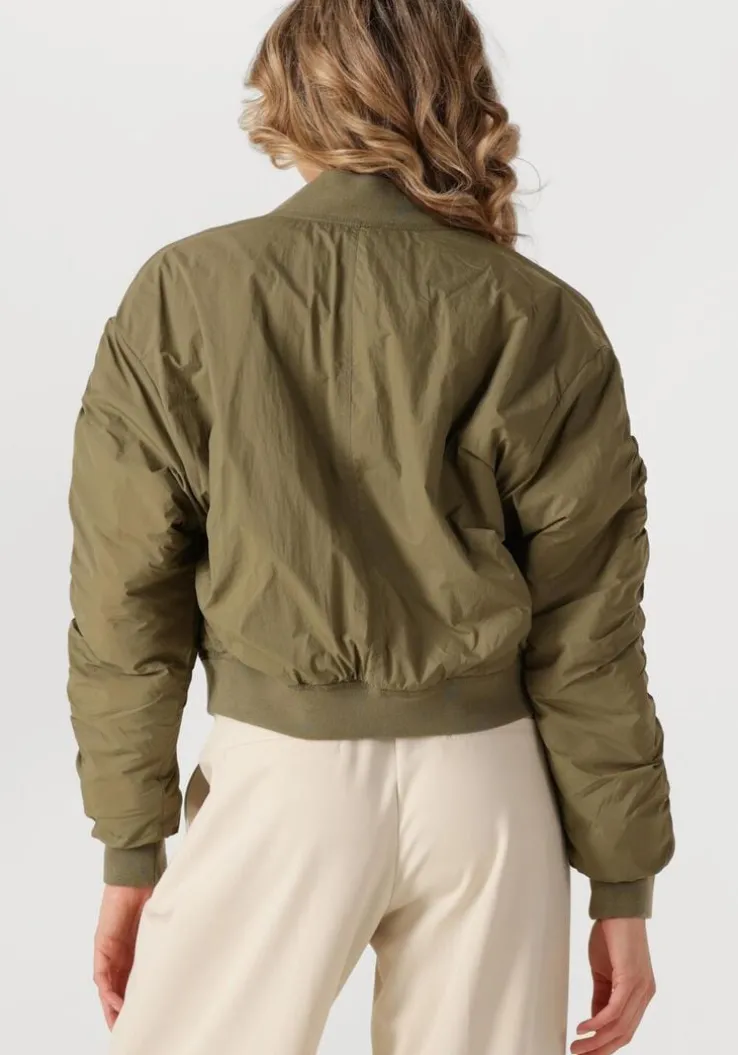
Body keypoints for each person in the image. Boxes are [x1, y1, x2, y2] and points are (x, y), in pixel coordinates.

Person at [66, 2, 675, 1053]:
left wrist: (131, 846)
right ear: (457, 92)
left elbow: (126, 595)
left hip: (280, 782)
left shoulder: (186, 292)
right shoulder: (538, 313)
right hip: (490, 795)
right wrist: (621, 880)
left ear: (292, 93)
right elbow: (591, 629)